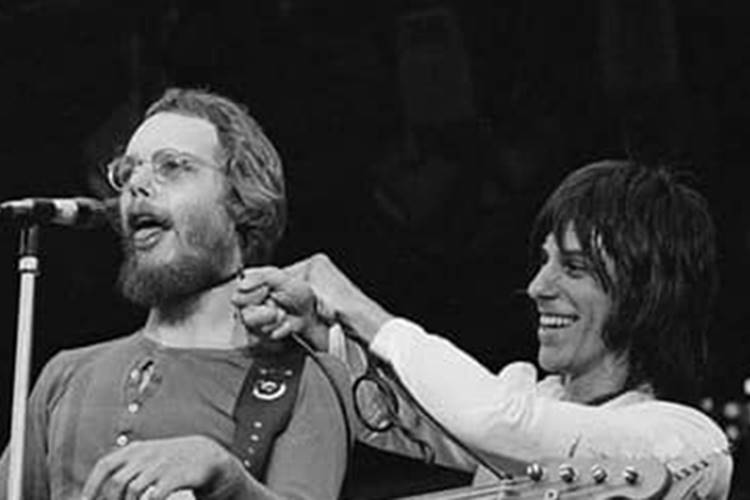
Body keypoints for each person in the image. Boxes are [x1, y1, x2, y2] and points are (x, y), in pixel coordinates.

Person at [236, 160, 734, 498]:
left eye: (574, 268)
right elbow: (401, 419)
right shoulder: (528, 398)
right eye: (545, 262)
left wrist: (359, 309)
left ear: (645, 294)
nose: (538, 287)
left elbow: (497, 422)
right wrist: (319, 328)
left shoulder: (688, 442)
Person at [0, 88, 349, 500]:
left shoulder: (303, 379)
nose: (137, 184)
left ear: (241, 202)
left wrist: (228, 478)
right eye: (127, 171)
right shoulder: (65, 374)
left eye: (172, 166)